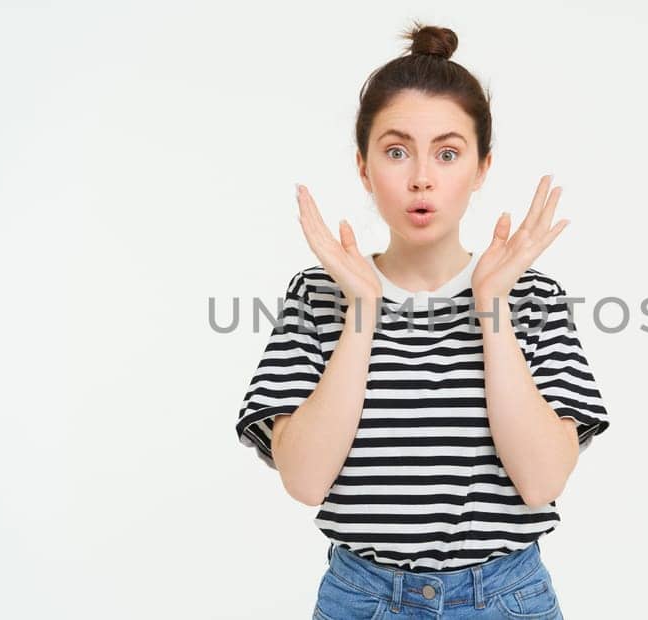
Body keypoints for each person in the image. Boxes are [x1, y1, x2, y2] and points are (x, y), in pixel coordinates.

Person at [236, 22, 610, 619]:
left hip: (504, 599)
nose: (421, 177)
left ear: (482, 167)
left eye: (447, 152)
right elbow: (304, 480)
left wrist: (492, 308)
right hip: (362, 599)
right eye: (395, 150)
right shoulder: (317, 296)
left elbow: (541, 483)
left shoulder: (530, 297)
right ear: (363, 167)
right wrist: (361, 310)